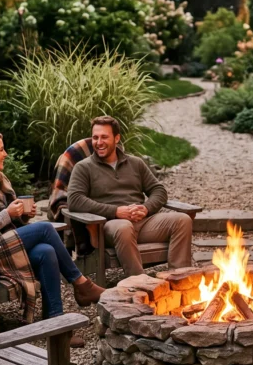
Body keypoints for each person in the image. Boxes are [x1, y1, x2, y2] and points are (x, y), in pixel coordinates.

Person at [0, 131, 103, 345]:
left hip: (2, 246)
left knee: (46, 252)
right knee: (46, 229)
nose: (6, 154)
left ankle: (56, 326)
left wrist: (20, 216)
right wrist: (7, 215)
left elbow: (9, 222)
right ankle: (81, 284)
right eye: (1, 150)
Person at [66, 115, 192, 275]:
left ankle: (179, 278)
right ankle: (139, 283)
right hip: (110, 225)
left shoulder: (135, 163)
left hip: (143, 223)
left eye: (104, 137)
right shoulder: (83, 168)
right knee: (124, 227)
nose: (99, 142)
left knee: (182, 220)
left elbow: (159, 191)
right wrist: (116, 211)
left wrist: (146, 209)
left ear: (116, 138)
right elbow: (75, 201)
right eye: (95, 137)